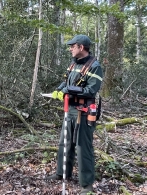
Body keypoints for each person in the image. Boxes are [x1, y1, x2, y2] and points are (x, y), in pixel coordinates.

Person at [45, 35, 103, 195]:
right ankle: (62, 173)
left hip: (83, 112)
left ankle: (86, 185)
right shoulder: (73, 63)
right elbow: (66, 82)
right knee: (65, 142)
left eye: (73, 46)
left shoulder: (94, 66)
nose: (70, 48)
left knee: (83, 147)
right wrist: (59, 90)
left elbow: (91, 90)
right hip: (69, 110)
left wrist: (68, 91)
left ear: (81, 47)